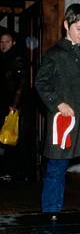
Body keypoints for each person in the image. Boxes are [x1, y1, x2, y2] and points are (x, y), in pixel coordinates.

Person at [35, 4, 80, 221]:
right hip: (64, 123)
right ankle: (50, 213)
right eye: (79, 29)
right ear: (66, 25)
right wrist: (58, 104)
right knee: (56, 169)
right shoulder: (54, 54)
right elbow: (41, 83)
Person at [0, 31, 28, 181]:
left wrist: (14, 104)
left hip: (11, 105)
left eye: (7, 42)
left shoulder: (16, 59)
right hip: (3, 103)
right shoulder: (3, 58)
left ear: (13, 43)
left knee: (11, 137)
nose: (4, 45)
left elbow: (21, 84)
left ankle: (12, 171)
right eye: (1, 42)